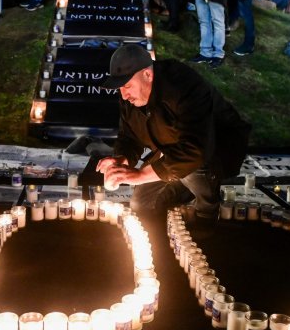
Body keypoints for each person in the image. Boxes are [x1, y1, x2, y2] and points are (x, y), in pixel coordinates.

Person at [96, 43, 251, 224]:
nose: (123, 95)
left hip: (214, 147)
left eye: (127, 86)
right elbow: (129, 136)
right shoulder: (131, 98)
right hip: (171, 148)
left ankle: (206, 213)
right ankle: (173, 208)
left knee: (192, 171)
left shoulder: (184, 87)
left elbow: (195, 150)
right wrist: (122, 159)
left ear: (147, 74)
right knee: (141, 202)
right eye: (120, 87)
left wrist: (140, 175)